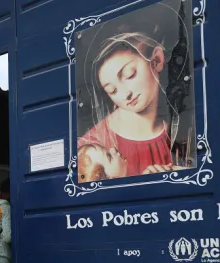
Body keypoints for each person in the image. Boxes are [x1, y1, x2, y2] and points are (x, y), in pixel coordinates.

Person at [78, 23, 193, 176]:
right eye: (112, 90)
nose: (125, 94)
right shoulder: (90, 149)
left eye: (129, 74)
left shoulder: (185, 126)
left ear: (156, 60)